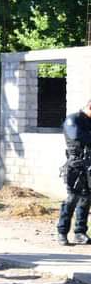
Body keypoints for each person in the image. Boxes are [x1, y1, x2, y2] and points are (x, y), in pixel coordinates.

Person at [57, 99, 91, 246]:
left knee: (87, 198)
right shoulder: (73, 119)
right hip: (76, 166)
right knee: (72, 198)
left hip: (88, 165)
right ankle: (62, 232)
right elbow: (78, 138)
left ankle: (80, 232)